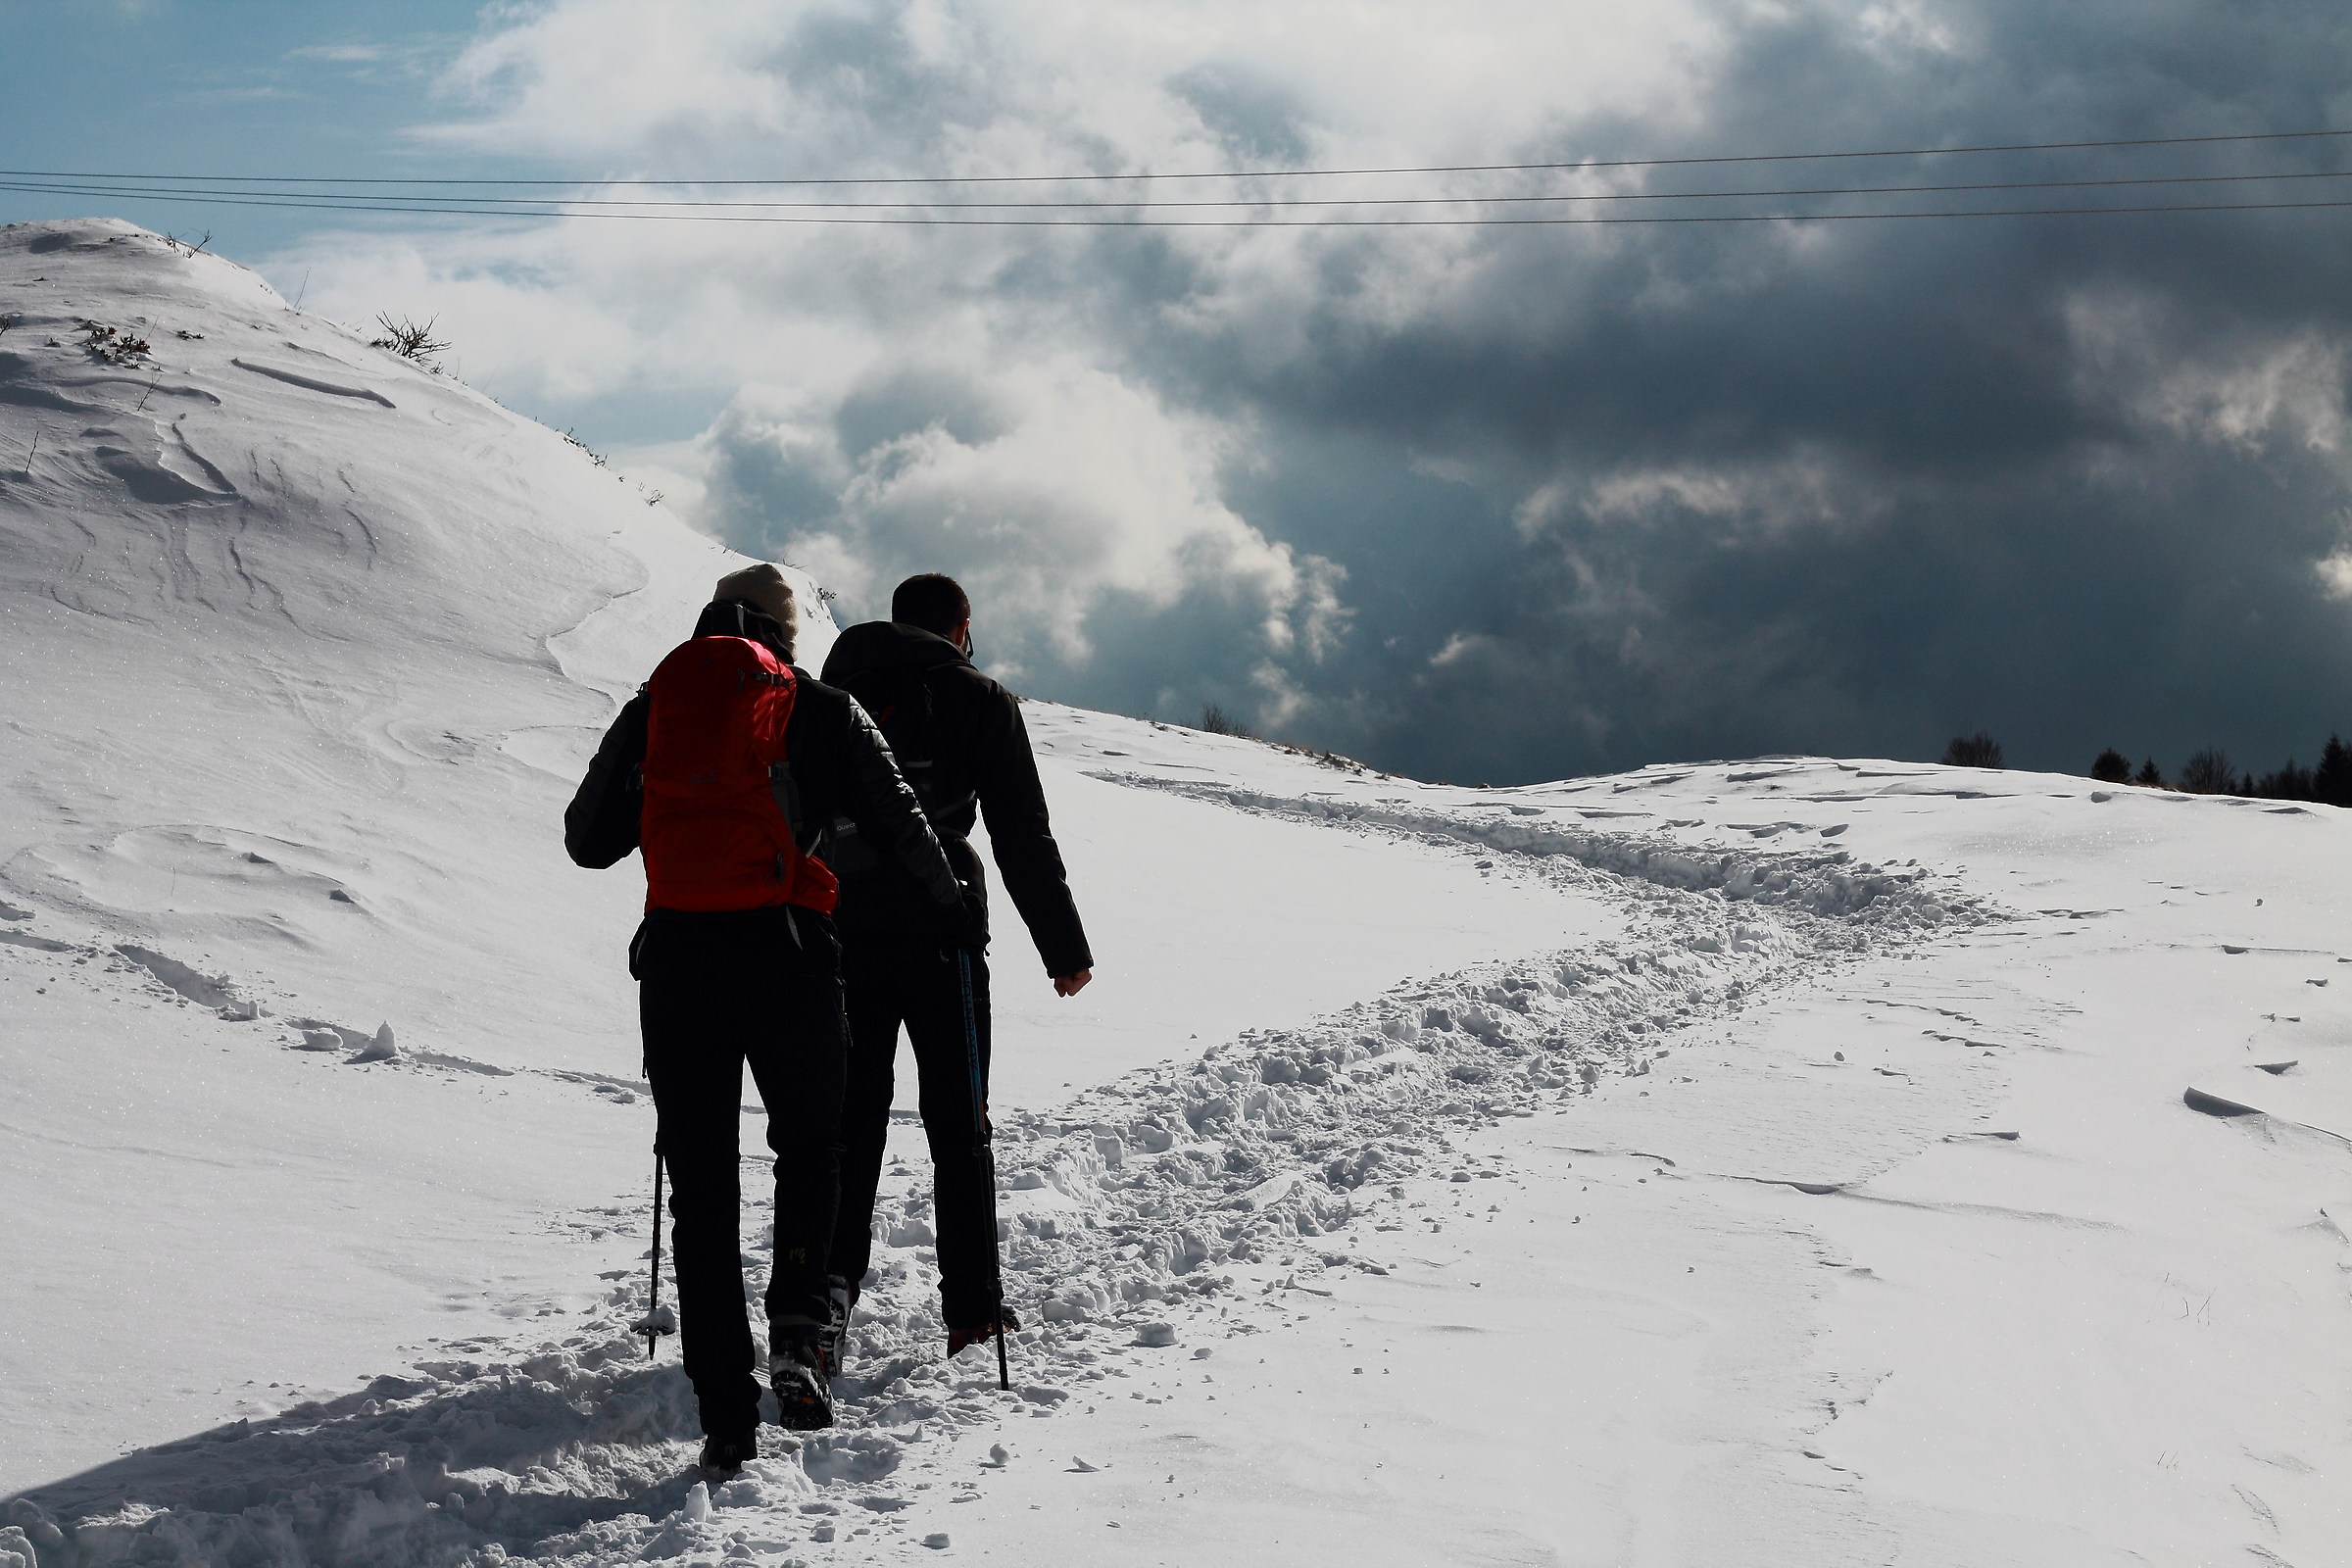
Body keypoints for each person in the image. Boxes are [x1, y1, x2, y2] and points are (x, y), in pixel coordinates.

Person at [565, 563, 960, 1479]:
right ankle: (797, 1343)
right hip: (790, 954)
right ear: (787, 634)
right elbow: (905, 828)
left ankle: (723, 1415)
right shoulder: (819, 707)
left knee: (701, 1185)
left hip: (677, 962)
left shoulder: (659, 700)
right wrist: (949, 909)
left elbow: (588, 840)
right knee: (811, 1148)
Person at [819, 572, 1094, 1364]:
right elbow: (1021, 835)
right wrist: (1064, 950)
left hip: (841, 928)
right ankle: (972, 1309)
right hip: (943, 934)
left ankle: (830, 1299)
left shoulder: (835, 689)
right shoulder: (979, 698)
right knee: (959, 1121)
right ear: (961, 627)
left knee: (851, 1124)